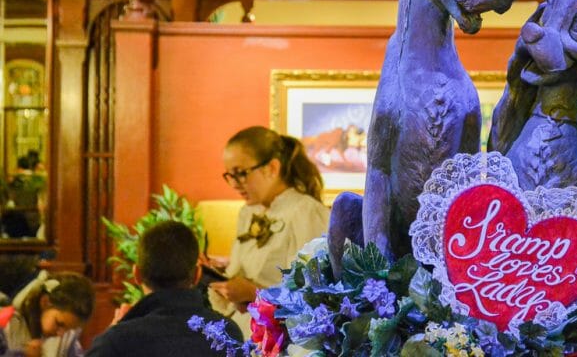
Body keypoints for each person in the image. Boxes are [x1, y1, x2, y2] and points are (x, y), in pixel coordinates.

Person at [208, 126, 330, 337]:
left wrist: (254, 293)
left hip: (284, 338)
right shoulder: (248, 212)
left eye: (241, 174)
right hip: (245, 332)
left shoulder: (305, 212)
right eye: (230, 175)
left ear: (272, 167)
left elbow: (315, 293)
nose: (235, 184)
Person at [86, 220, 242, 357]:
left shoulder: (116, 342)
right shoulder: (228, 334)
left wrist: (112, 332)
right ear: (197, 275)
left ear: (137, 274)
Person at [1, 271, 94, 357]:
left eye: (68, 329)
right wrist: (22, 354)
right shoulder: (7, 323)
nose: (61, 334)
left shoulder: (67, 339)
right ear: (45, 302)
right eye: (59, 324)